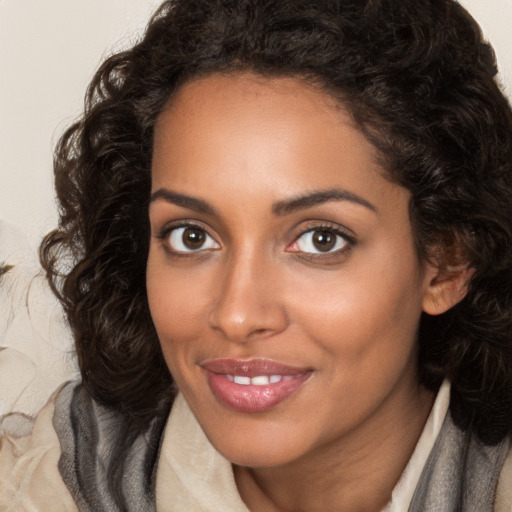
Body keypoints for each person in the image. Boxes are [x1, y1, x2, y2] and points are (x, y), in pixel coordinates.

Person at [2, 0, 512, 510]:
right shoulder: (47, 480)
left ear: (446, 264)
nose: (238, 315)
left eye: (320, 240)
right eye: (191, 237)